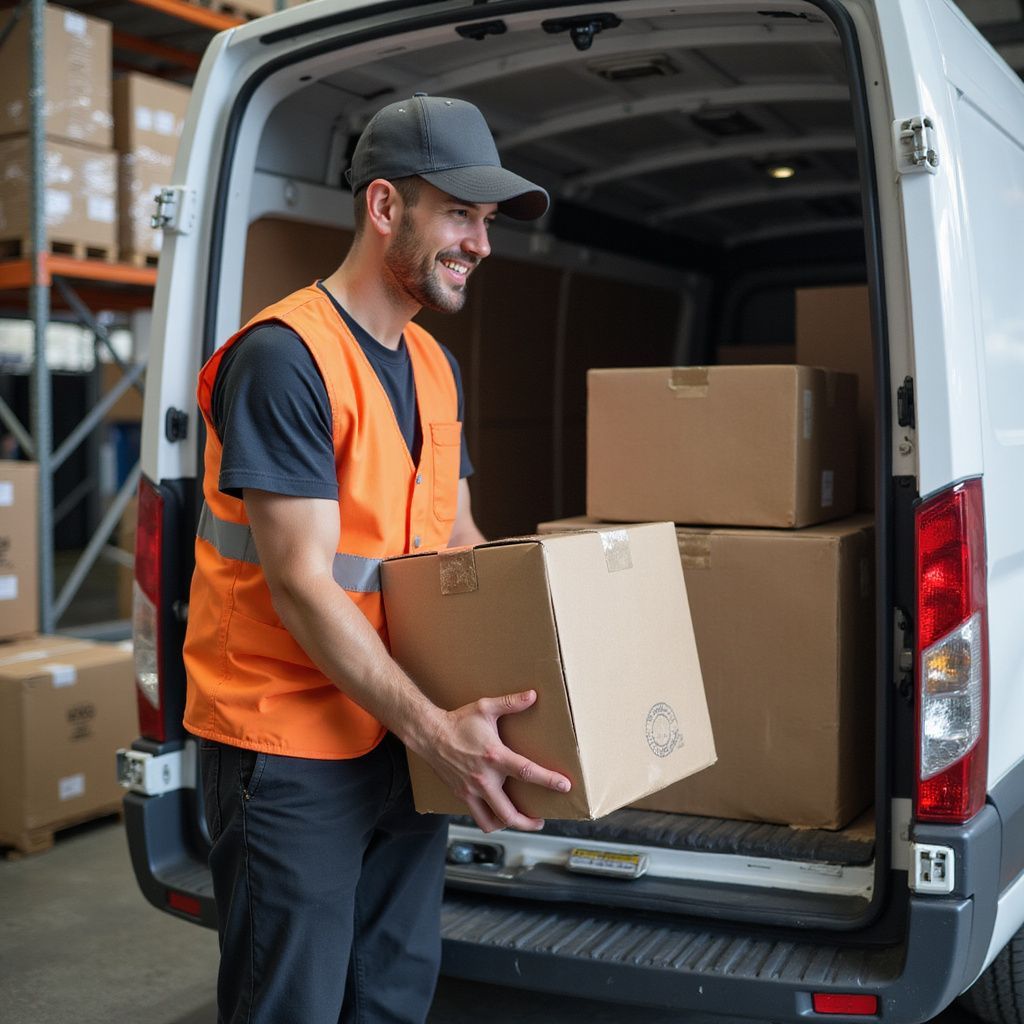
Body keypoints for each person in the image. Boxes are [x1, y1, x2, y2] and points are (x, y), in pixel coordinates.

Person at [181, 94, 572, 1024]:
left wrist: (558, 660)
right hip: (290, 744)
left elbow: (460, 543)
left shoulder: (435, 364)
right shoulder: (286, 358)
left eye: (486, 223)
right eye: (462, 215)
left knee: (391, 990)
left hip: (399, 733)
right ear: (386, 207)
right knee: (294, 1006)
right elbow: (304, 584)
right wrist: (437, 731)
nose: (481, 243)